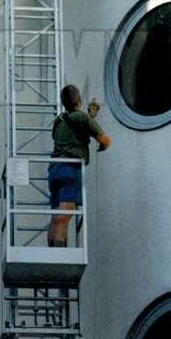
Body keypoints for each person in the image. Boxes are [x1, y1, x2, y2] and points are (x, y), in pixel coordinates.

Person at [47, 85, 111, 248]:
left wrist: (90, 117)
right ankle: (60, 256)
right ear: (79, 100)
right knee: (64, 216)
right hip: (70, 169)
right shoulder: (81, 118)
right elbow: (105, 140)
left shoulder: (59, 121)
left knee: (55, 217)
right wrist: (90, 121)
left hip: (54, 170)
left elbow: (72, 132)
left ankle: (52, 252)